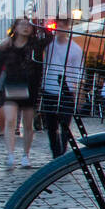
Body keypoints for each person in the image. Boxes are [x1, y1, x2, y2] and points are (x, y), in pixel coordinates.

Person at [0, 18, 42, 168]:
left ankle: (26, 155)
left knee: (28, 124)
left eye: (28, 25)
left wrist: (39, 25)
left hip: (31, 86)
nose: (25, 28)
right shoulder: (7, 47)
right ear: (15, 28)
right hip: (13, 84)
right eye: (22, 25)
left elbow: (49, 38)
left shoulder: (35, 45)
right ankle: (10, 154)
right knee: (11, 120)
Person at [39, 16, 85, 158]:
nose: (59, 30)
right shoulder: (48, 46)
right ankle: (56, 153)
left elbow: (79, 71)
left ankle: (63, 152)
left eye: (62, 26)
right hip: (49, 88)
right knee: (51, 125)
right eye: (57, 26)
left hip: (67, 90)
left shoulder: (75, 49)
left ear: (67, 28)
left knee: (65, 124)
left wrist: (78, 92)